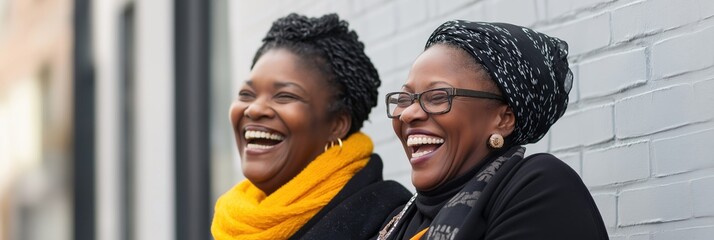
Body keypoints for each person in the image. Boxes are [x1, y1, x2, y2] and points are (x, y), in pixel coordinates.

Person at [378, 20, 608, 240]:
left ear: (503, 119)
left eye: (438, 96)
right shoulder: (400, 220)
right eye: (405, 98)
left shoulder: (539, 189)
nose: (407, 113)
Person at [211, 13, 411, 240]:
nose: (254, 109)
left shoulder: (392, 225)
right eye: (246, 94)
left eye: (284, 96)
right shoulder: (233, 224)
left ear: (337, 125)